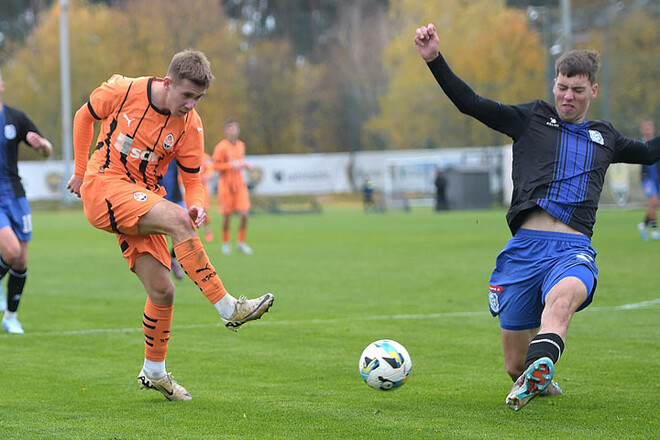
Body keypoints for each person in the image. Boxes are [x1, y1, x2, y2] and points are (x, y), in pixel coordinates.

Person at [414, 23, 660, 411]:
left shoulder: (605, 137)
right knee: (514, 364)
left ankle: (541, 363)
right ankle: (539, 379)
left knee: (560, 303)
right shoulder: (530, 118)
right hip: (524, 251)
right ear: (554, 84)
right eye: (562, 86)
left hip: (573, 249)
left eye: (578, 90)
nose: (568, 96)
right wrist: (435, 60)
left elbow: (649, 152)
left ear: (593, 91)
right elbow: (471, 103)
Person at [66, 49, 274, 401]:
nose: (191, 104)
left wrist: (197, 207)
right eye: (187, 95)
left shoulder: (191, 126)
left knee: (163, 291)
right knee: (175, 218)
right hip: (104, 185)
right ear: (167, 82)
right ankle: (228, 308)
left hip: (141, 198)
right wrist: (78, 171)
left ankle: (154, 372)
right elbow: (83, 117)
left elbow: (195, 180)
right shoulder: (123, 89)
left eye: (198, 98)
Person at [0, 67, 53, 334]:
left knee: (20, 260)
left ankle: (10, 317)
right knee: (9, 251)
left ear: (2, 85)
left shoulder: (15, 117)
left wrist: (41, 145)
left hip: (16, 196)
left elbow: (47, 150)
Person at [212, 119, 253, 255]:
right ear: (226, 130)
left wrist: (245, 166)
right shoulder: (221, 147)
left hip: (239, 185)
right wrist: (230, 165)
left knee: (244, 214)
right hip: (226, 186)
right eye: (230, 128)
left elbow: (239, 162)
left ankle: (241, 243)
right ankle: (226, 243)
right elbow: (215, 166)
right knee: (227, 216)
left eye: (235, 128)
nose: (233, 130)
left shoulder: (241, 145)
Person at [158, 158, 186, 280]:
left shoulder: (175, 152)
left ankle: (172, 258)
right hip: (159, 197)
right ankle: (164, 265)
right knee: (159, 235)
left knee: (186, 226)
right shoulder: (154, 151)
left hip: (176, 196)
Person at [637, 120, 660, 240]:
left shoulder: (657, 144)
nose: (647, 129)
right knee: (654, 200)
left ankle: (644, 225)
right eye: (645, 127)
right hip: (647, 178)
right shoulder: (640, 144)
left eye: (649, 127)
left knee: (654, 203)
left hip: (657, 178)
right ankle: (655, 230)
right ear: (642, 129)